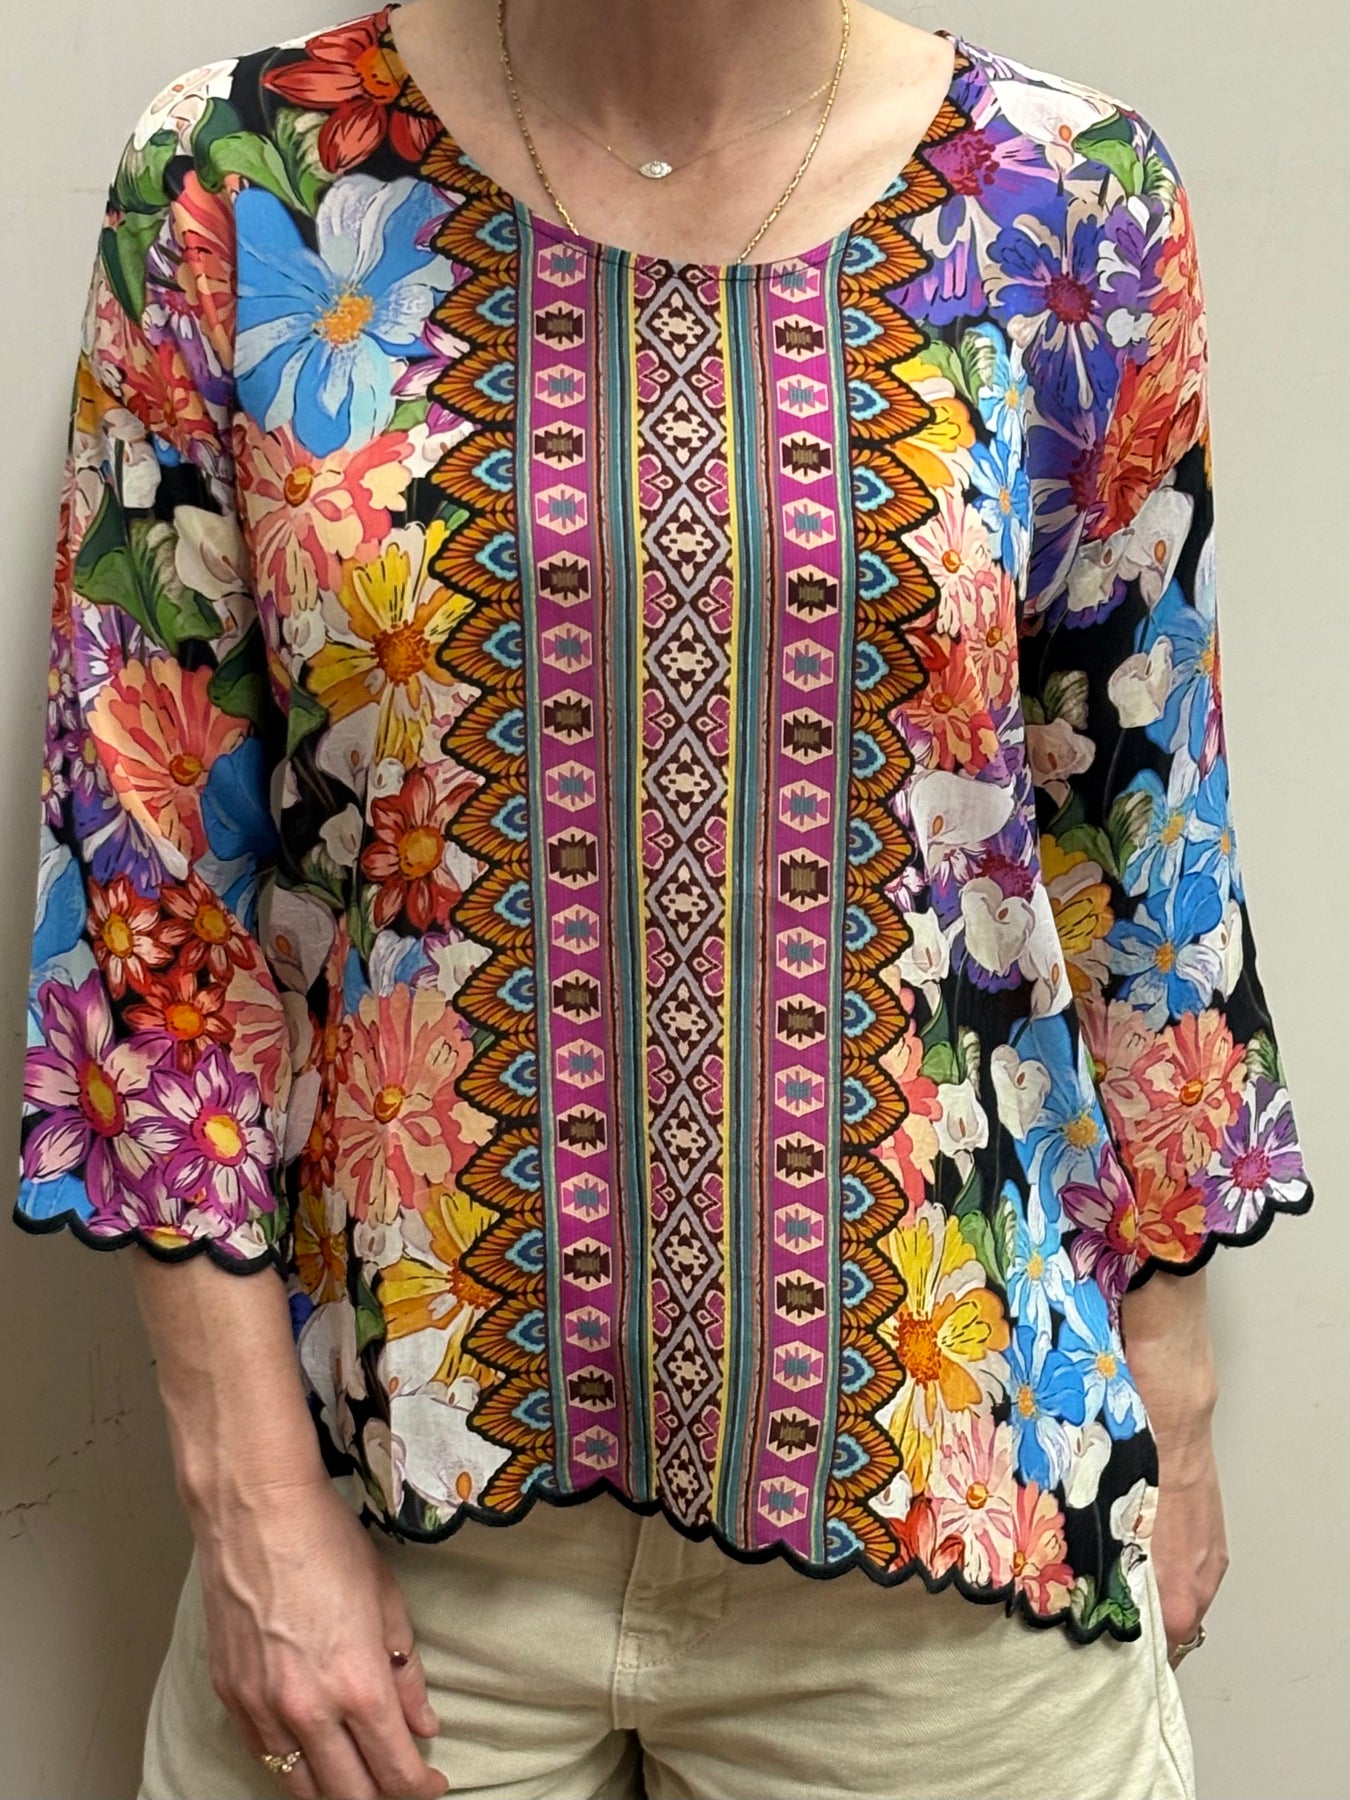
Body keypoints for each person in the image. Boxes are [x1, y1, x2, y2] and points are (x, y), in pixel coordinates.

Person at [12, 0, 1316, 1795]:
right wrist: (243, 1496)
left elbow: (1138, 826)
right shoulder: (242, 179)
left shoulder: (1065, 198)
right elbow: (153, 882)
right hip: (393, 1520)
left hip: (955, 1505)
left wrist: (1173, 1383)